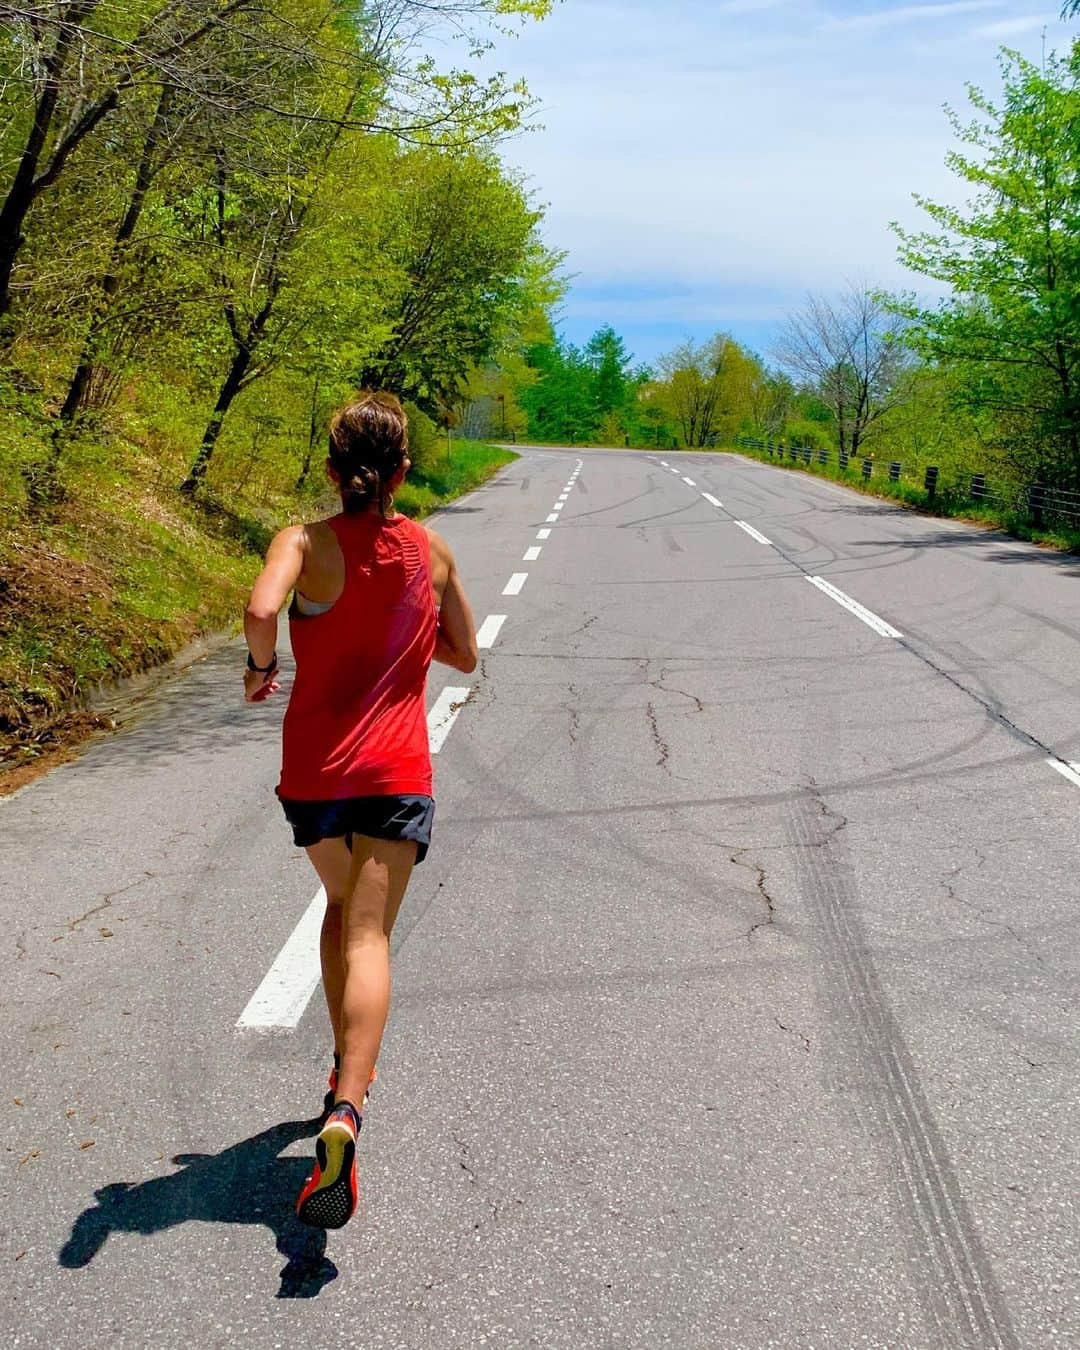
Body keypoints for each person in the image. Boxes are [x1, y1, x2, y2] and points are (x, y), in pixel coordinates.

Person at [242, 391, 477, 1230]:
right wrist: (414, 640)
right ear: (401, 472)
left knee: (341, 910)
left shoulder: (302, 543)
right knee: (370, 931)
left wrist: (260, 667)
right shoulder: (431, 549)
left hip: (314, 771)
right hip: (396, 770)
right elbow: (466, 652)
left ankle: (340, 1067)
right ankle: (348, 1106)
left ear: (334, 472)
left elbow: (262, 609)